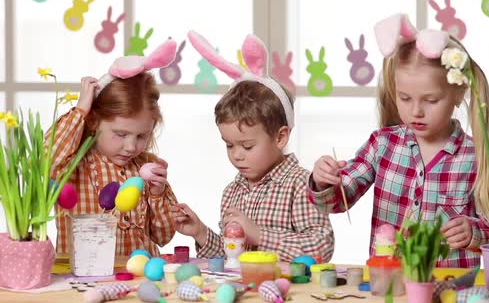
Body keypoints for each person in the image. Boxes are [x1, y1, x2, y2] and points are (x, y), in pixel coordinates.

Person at [309, 13, 489, 267]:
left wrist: (473, 232)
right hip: (391, 285)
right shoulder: (382, 145)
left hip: (450, 287)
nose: (416, 111)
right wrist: (323, 181)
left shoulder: (475, 157)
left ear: (458, 92)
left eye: (430, 100)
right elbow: (338, 200)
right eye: (405, 98)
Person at [172, 32, 334, 262]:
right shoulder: (233, 191)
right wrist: (200, 232)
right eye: (229, 145)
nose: (236, 155)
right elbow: (231, 255)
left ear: (280, 137)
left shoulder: (299, 186)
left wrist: (258, 234)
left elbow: (321, 247)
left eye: (247, 146)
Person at [49, 40, 179, 256]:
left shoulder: (148, 167)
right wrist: (81, 109)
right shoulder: (73, 165)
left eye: (141, 136)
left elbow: (163, 237)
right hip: (85, 280)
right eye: (120, 134)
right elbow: (48, 157)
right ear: (93, 122)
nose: (130, 147)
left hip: (140, 279)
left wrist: (157, 195)